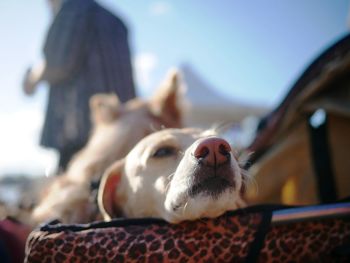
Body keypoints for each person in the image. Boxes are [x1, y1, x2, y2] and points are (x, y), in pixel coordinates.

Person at [22, 0, 136, 171]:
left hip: (80, 130)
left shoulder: (73, 8)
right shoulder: (117, 21)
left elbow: (57, 63)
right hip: (121, 129)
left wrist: (31, 79)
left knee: (72, 188)